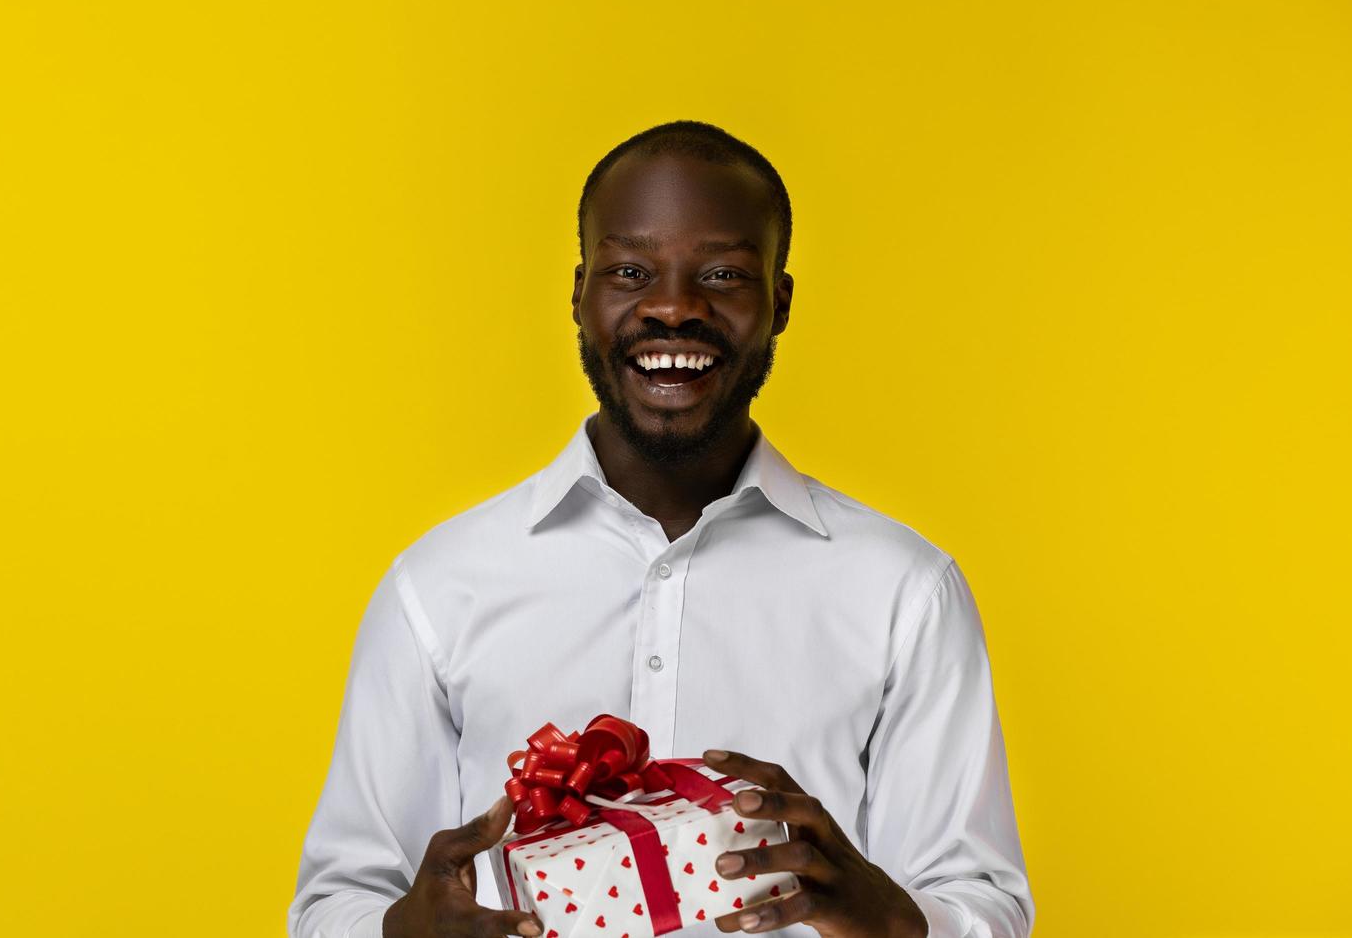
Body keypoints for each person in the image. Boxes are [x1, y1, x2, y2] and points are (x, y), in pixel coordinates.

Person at [287, 120, 1035, 938]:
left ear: (779, 302)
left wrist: (902, 924)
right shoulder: (438, 586)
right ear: (580, 294)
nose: (675, 307)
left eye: (722, 273)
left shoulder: (904, 592)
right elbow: (333, 906)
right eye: (630, 271)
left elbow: (984, 903)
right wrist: (398, 933)